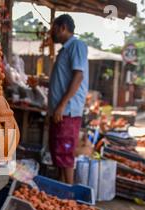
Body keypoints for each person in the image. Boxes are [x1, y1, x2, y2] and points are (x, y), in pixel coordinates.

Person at [48, 14, 89, 184]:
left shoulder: (76, 45)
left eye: (54, 29)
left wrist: (61, 105)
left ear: (63, 27)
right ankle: (60, 184)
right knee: (57, 150)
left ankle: (68, 190)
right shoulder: (65, 49)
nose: (52, 33)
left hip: (68, 111)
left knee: (65, 151)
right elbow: (63, 78)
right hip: (60, 110)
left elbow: (78, 76)